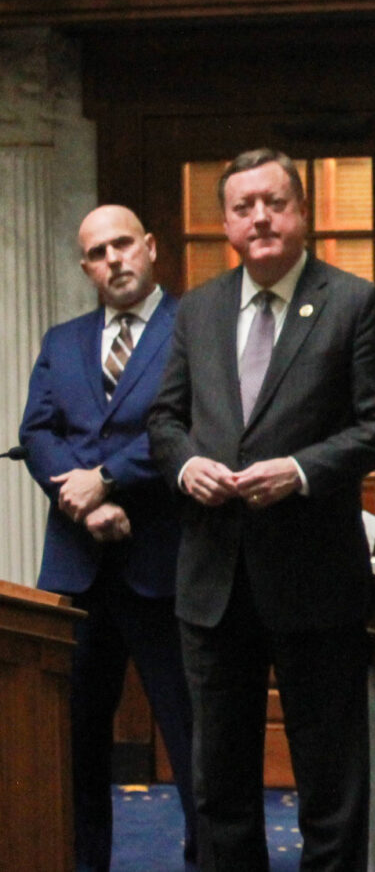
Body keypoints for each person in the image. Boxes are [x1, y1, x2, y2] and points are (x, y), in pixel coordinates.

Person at [147, 148, 375, 872]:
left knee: (331, 782)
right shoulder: (197, 309)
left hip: (314, 578)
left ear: (303, 213)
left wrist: (299, 471)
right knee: (218, 782)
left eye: (274, 202)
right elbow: (165, 420)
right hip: (213, 581)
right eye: (243, 206)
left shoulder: (351, 302)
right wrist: (186, 464)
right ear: (226, 222)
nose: (259, 217)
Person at [19, 205, 196, 870]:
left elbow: (191, 428)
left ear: (150, 248)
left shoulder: (192, 329)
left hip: (163, 566)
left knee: (191, 740)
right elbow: (37, 433)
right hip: (76, 571)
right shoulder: (63, 340)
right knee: (73, 745)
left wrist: (108, 481)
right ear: (86, 266)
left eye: (124, 244)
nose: (114, 259)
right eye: (98, 252)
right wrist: (83, 503)